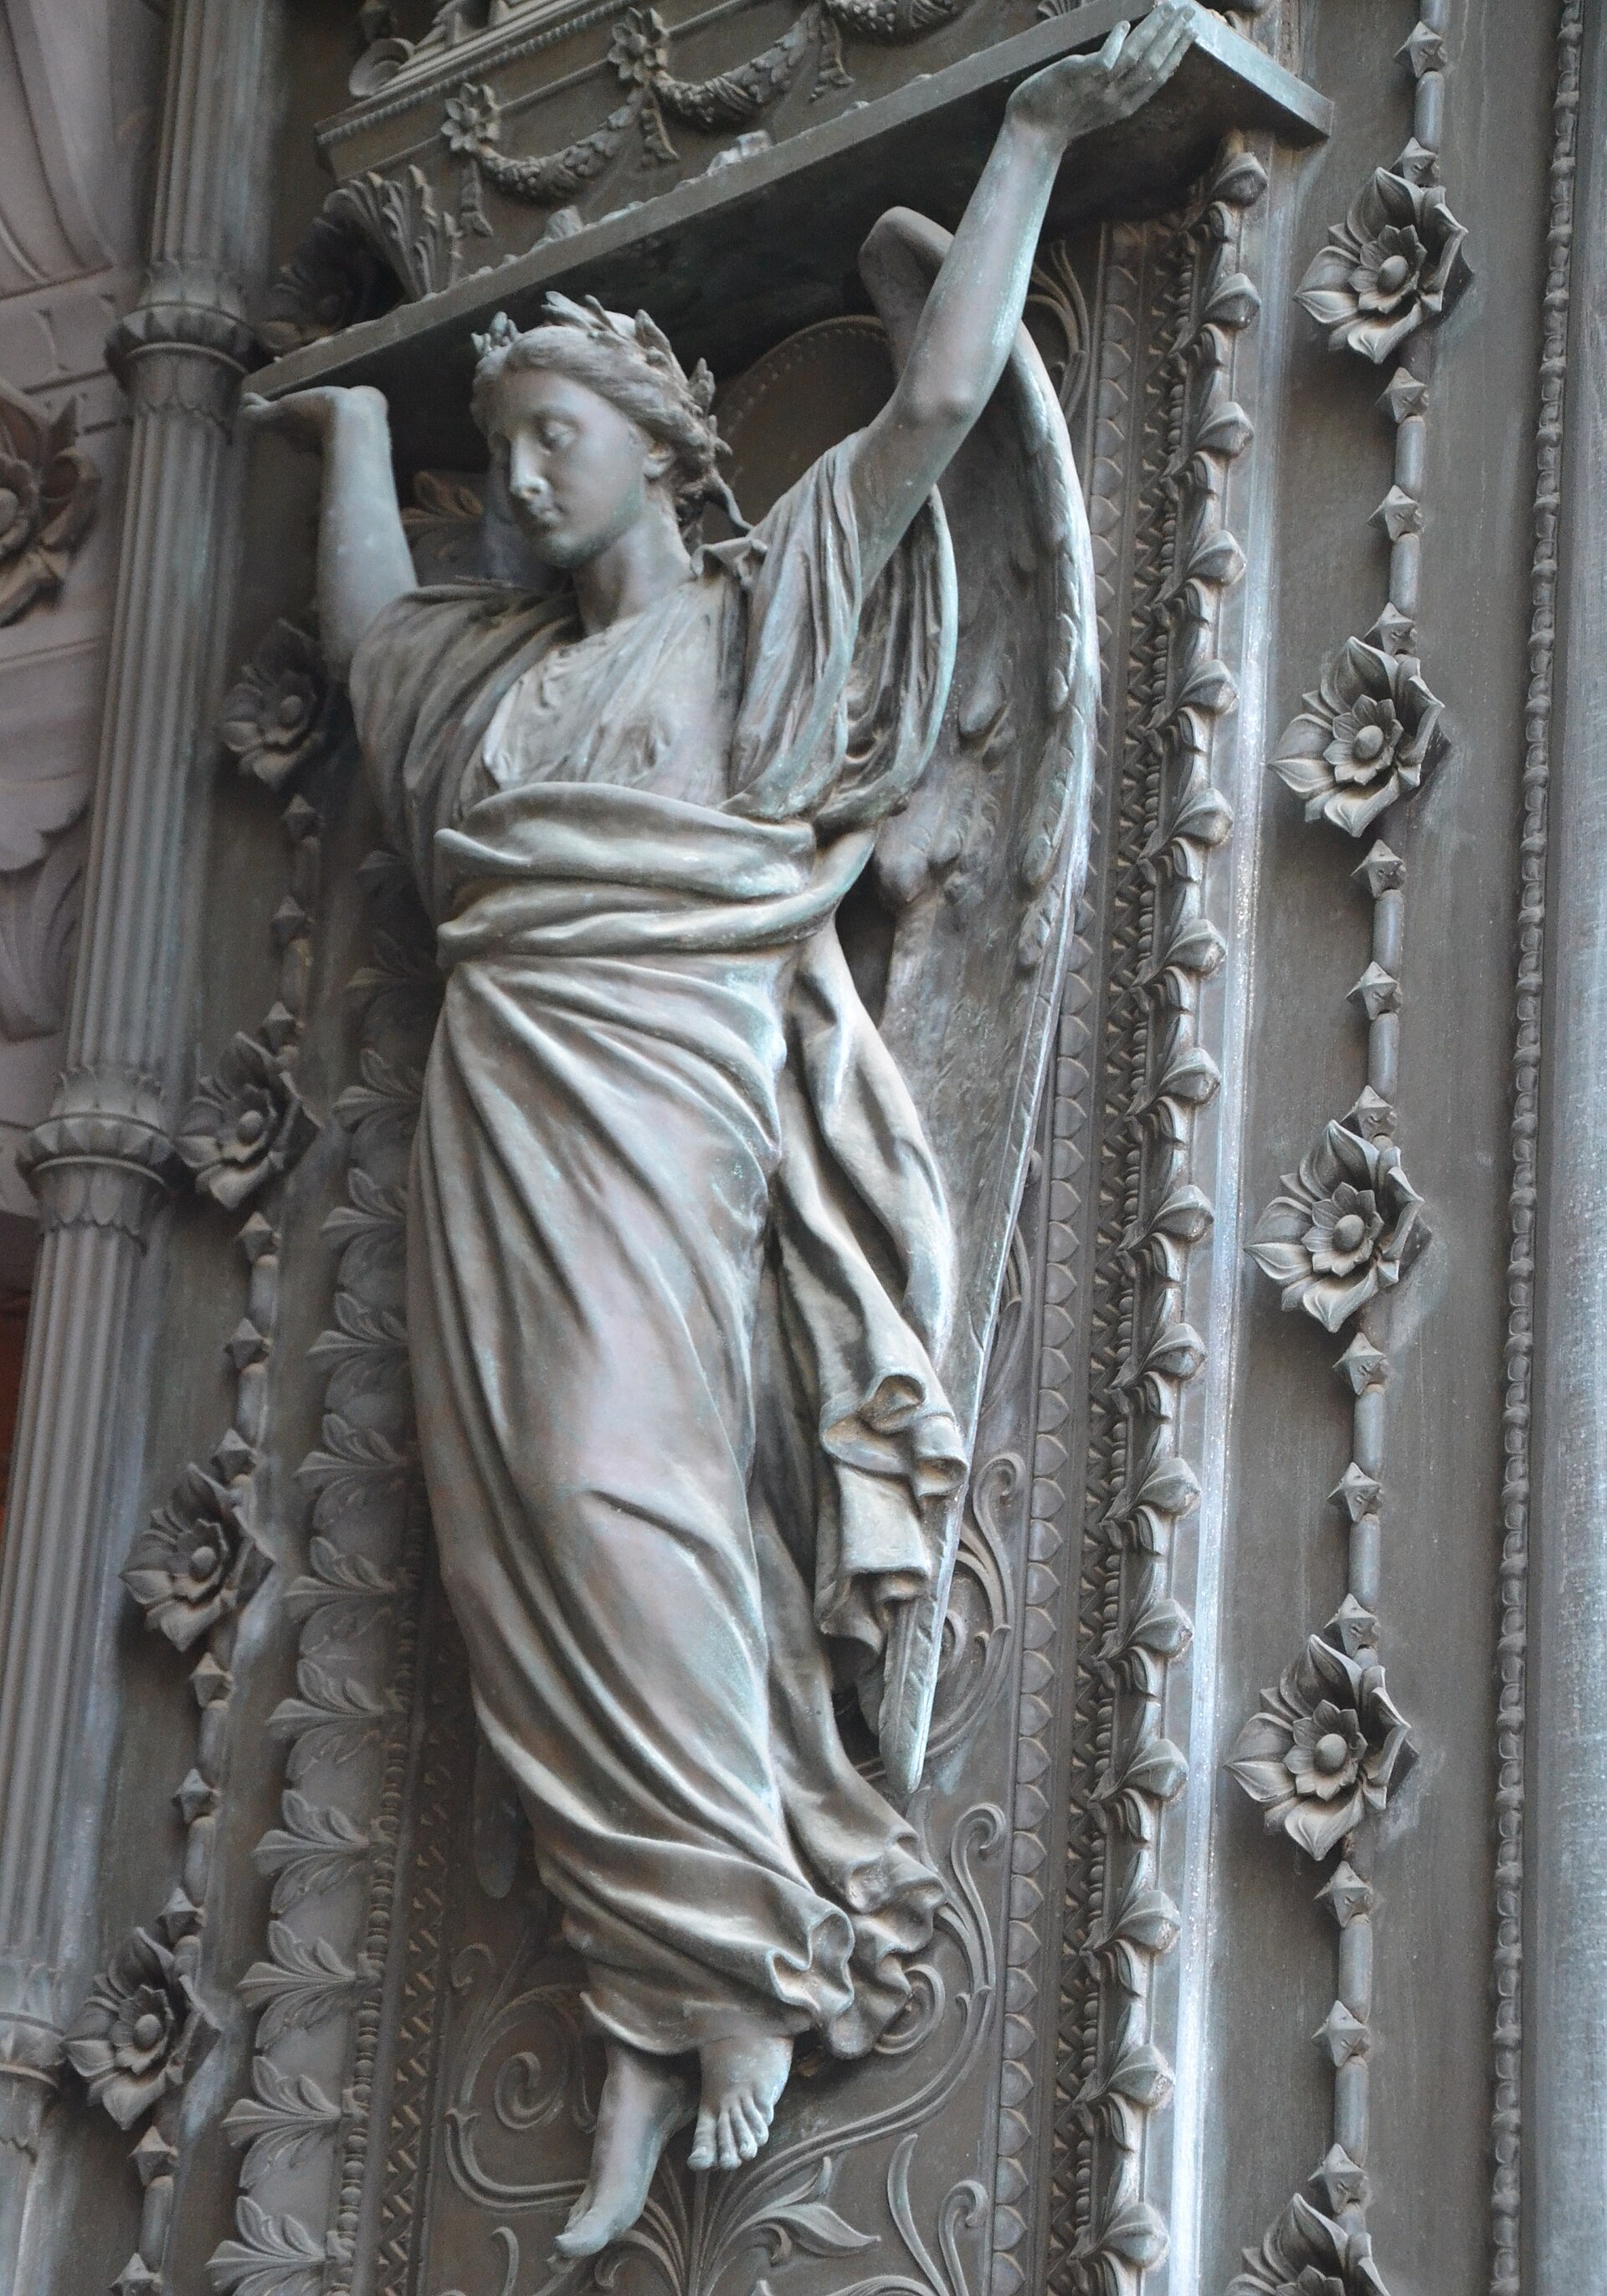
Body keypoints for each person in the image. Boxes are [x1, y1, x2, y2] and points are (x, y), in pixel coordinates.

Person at [246, 4, 1194, 2256]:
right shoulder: (491, 687)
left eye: (554, 435)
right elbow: (375, 644)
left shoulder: (765, 621)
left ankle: (745, 1949)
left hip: (667, 1118)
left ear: (662, 450)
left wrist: (1035, 137)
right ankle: (652, 1999)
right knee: (508, 1542)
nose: (527, 476)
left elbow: (935, 402)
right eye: (509, 446)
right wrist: (355, 434)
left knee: (619, 1490)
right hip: (499, 1119)